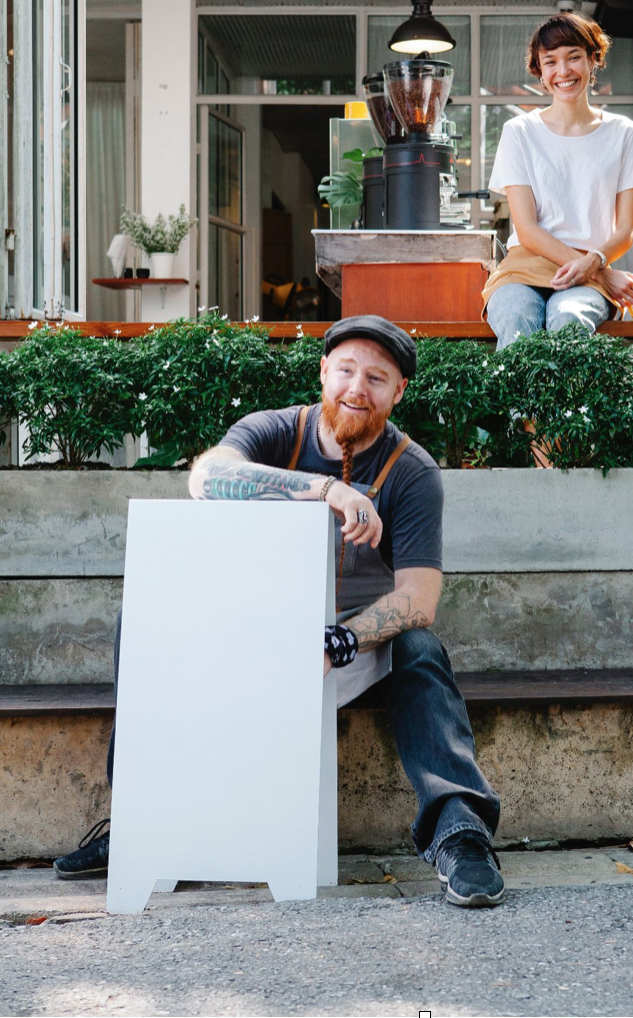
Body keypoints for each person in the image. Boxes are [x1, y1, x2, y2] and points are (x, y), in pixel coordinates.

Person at [54, 315, 504, 909]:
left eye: (376, 378)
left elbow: (419, 599)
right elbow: (206, 478)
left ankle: (460, 834)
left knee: (420, 649)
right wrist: (328, 491)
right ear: (323, 372)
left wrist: (335, 643)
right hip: (253, 634)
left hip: (348, 649)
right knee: (140, 620)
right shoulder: (275, 430)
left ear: (398, 392)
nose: (357, 388)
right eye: (345, 370)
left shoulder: (411, 471)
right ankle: (138, 820)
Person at [483, 12, 633, 348]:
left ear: (593, 59)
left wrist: (592, 265)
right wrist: (602, 271)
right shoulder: (519, 132)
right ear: (540, 71)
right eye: (550, 62)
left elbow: (625, 231)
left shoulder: (623, 134)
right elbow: (527, 230)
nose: (563, 71)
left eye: (573, 57)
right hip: (524, 270)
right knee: (517, 321)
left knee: (568, 320)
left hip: (588, 277)